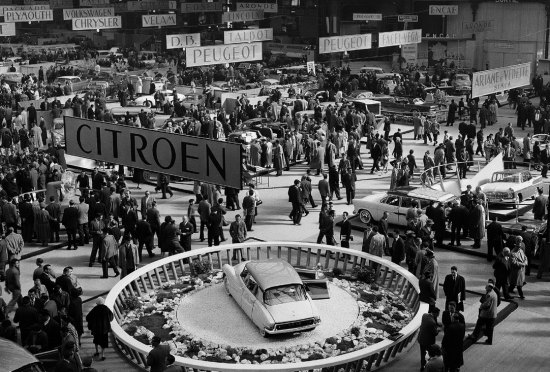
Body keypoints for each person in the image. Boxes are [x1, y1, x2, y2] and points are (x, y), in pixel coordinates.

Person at [417, 305, 440, 371]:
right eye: (438, 314)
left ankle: (422, 365)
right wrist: (438, 330)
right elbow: (435, 333)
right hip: (428, 341)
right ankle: (429, 366)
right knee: (431, 353)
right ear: (435, 313)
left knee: (422, 353)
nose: (438, 315)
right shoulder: (432, 322)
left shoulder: (424, 315)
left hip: (421, 338)